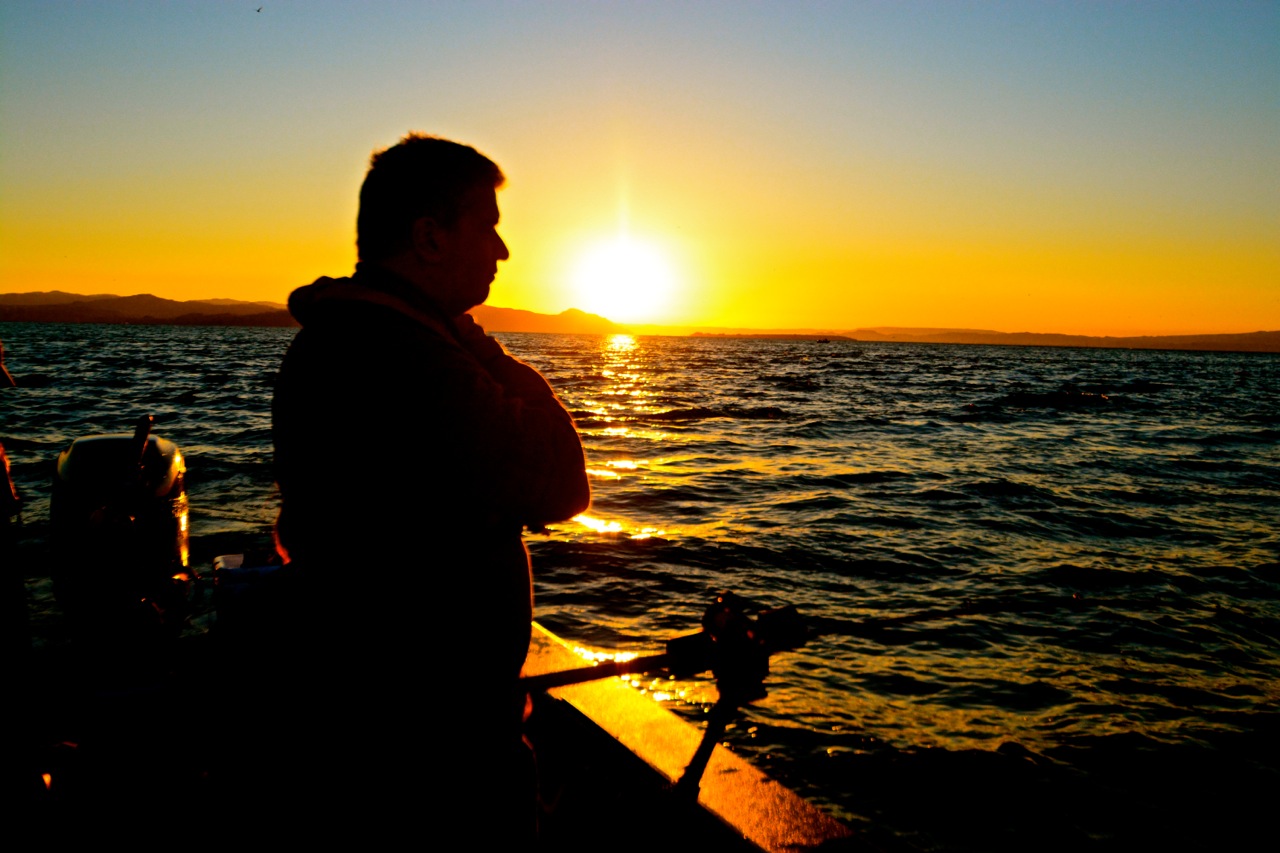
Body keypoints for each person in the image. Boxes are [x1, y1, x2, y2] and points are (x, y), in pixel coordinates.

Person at [255, 133, 589, 843]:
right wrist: (476, 340)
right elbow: (564, 479)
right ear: (429, 238)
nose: (501, 250)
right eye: (488, 226)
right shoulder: (416, 365)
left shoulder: (335, 339)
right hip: (435, 768)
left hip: (354, 729)